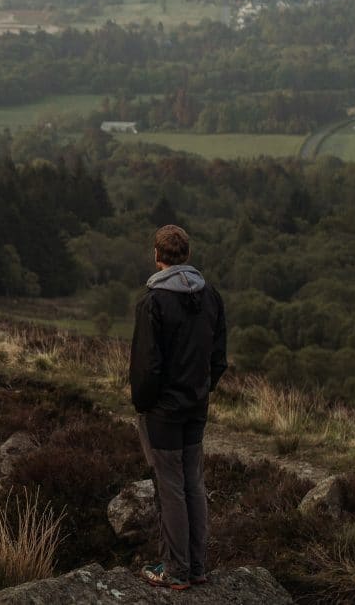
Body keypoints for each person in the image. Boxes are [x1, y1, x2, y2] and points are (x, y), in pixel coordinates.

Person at [129, 224, 227, 590]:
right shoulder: (211, 295)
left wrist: (144, 404)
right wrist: (203, 389)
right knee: (193, 483)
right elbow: (219, 356)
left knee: (170, 487)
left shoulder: (152, 301)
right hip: (196, 405)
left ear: (157, 257)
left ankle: (175, 571)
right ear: (186, 256)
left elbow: (146, 365)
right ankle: (197, 567)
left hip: (163, 411)